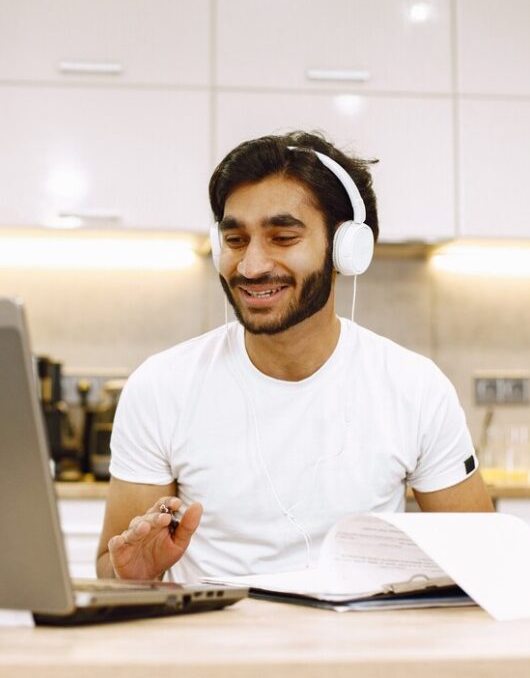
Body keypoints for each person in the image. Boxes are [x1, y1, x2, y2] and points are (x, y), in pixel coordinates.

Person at [95, 131, 493, 583]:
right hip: (215, 649)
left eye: (283, 237)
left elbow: (482, 563)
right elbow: (113, 574)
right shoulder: (161, 386)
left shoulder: (415, 388)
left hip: (357, 646)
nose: (251, 266)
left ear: (347, 249)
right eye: (236, 239)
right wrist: (136, 573)